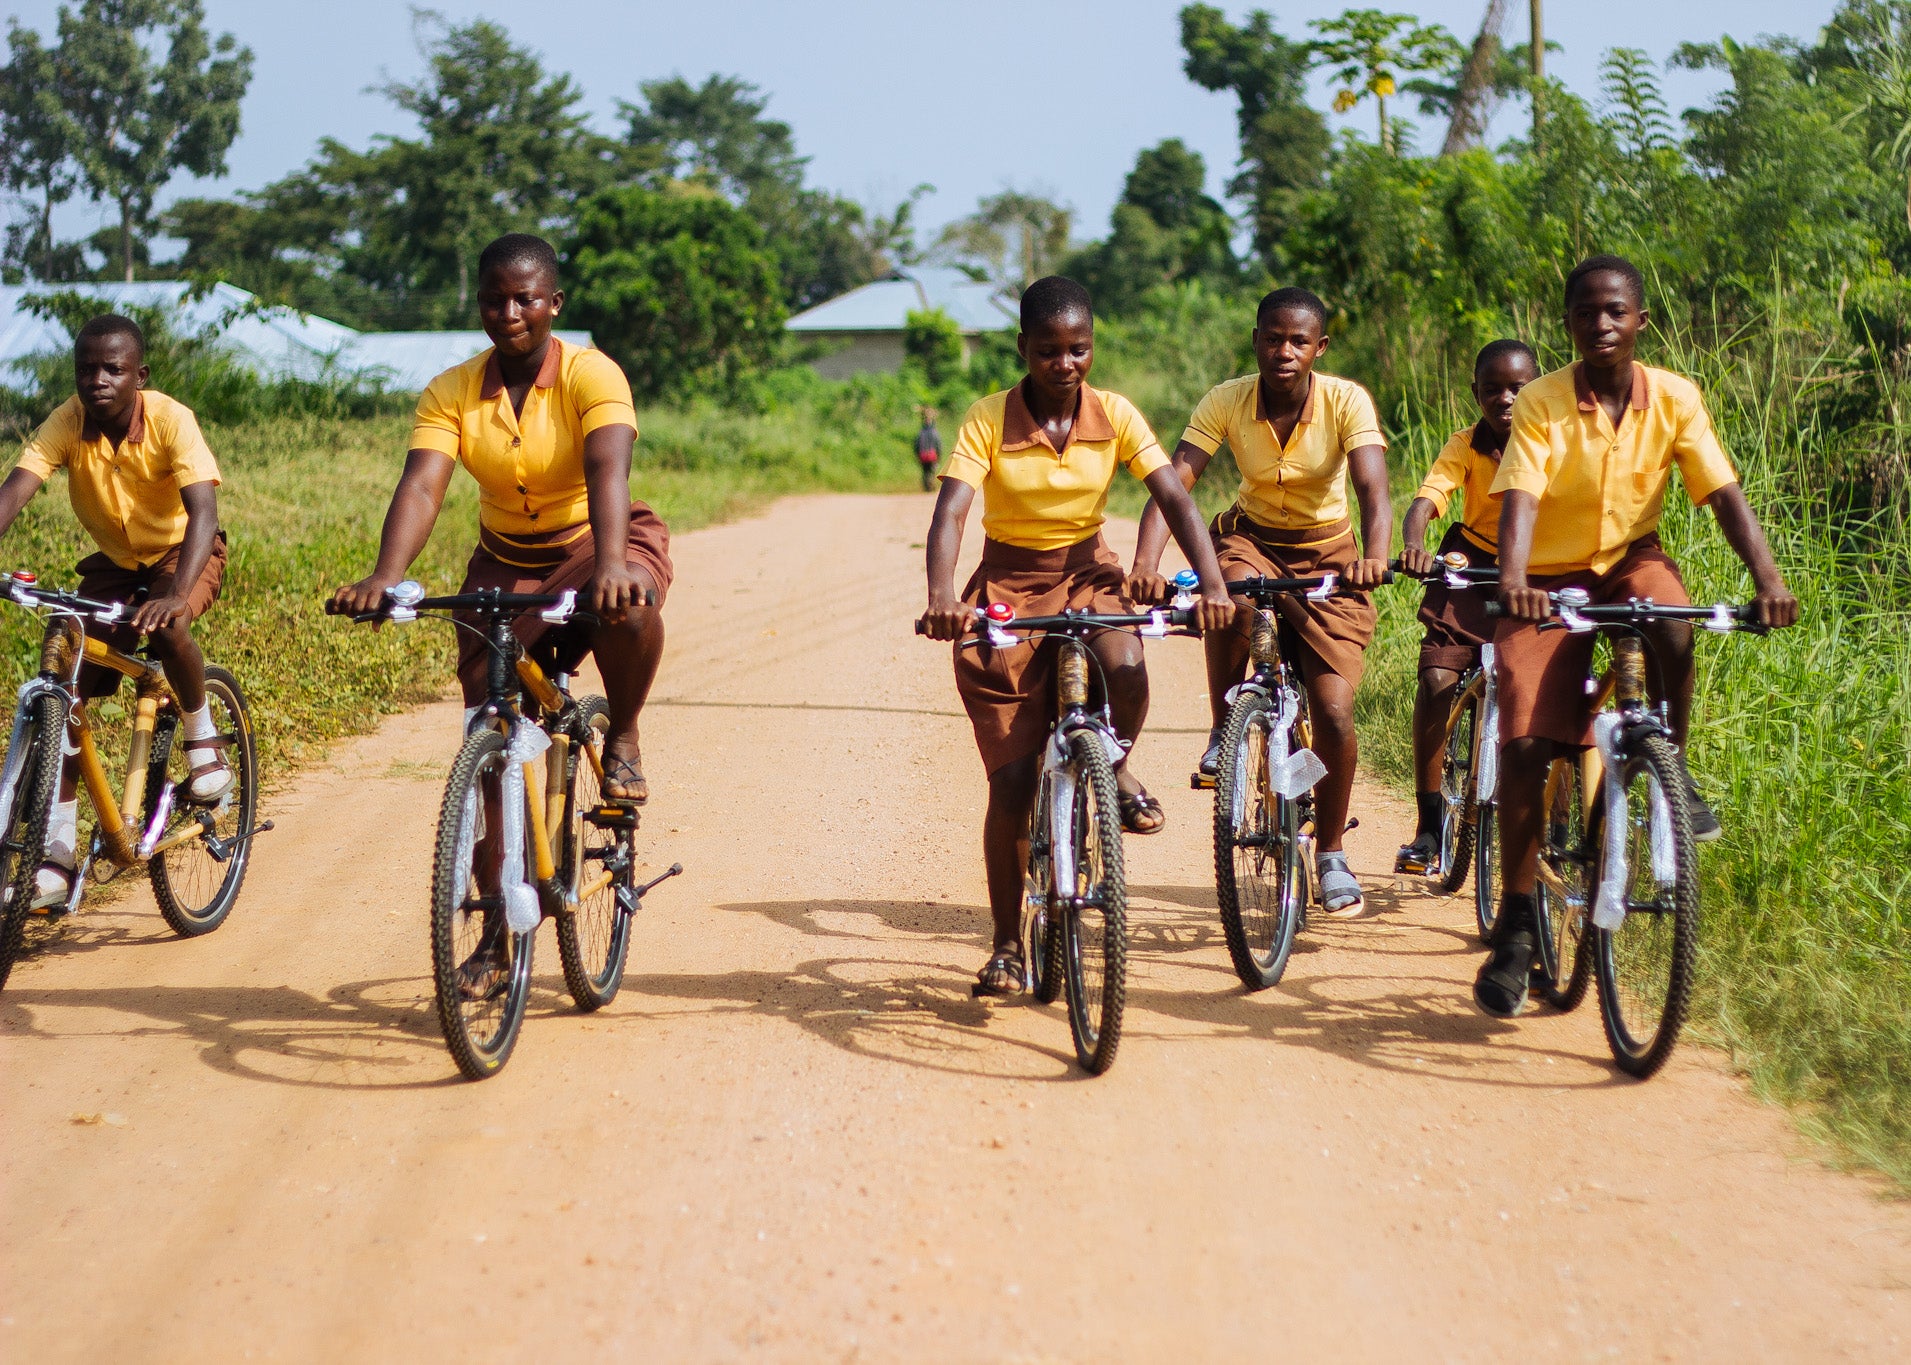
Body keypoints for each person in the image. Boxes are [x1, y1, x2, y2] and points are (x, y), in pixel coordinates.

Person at [1474, 253, 1799, 1018]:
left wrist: (1768, 580)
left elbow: (1721, 492)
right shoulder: (1543, 402)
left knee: (1671, 622)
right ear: (1568, 325)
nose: (1600, 325)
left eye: (1615, 311)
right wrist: (1513, 578)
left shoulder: (1677, 397)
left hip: (1628, 559)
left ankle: (1670, 768)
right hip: (1546, 577)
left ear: (1640, 321)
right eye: (1585, 313)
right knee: (1523, 741)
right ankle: (1517, 923)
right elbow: (1518, 495)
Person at [919, 276, 1233, 998]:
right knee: (1011, 780)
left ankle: (1113, 764)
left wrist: (1210, 583)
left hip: (1089, 572)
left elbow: (1174, 496)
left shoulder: (1116, 413)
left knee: (1124, 662)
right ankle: (1004, 943)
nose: (1066, 364)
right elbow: (951, 515)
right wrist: (941, 596)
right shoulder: (985, 419)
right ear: (1022, 348)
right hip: (1006, 582)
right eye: (1050, 351)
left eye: (1079, 349)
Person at [331, 232, 669, 796]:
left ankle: (625, 738)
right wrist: (387, 575)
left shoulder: (592, 374)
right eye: (494, 300)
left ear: (554, 303)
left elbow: (608, 469)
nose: (509, 314)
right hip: (506, 560)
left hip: (597, 542)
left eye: (526, 299)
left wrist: (611, 564)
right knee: (491, 718)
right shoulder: (451, 390)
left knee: (628, 607)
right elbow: (420, 485)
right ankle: (493, 863)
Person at [1131, 286, 1391, 917]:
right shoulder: (1227, 399)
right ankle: (1225, 726)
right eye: (1272, 338)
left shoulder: (1344, 400)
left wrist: (1375, 556)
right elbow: (1176, 483)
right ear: (1255, 341)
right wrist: (1144, 563)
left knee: (1332, 709)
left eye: (1299, 341)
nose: (1284, 351)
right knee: (1229, 592)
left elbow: (1373, 490)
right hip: (1253, 538)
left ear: (1319, 348)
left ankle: (1330, 853)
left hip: (1329, 552)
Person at [0, 314, 231, 910]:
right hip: (113, 562)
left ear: (139, 375)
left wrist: (177, 591)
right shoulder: (67, 422)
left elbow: (202, 510)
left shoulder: (171, 418)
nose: (97, 380)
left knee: (171, 624)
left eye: (113, 369)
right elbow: (16, 489)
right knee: (64, 672)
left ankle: (203, 738)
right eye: (86, 369)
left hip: (183, 551)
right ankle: (55, 855)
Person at [1394, 339, 1539, 875]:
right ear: (1474, 393)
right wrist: (1415, 543)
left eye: (1519, 388)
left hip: (1535, 565)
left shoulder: (1552, 439)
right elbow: (1429, 498)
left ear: (1538, 391)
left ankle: (1552, 828)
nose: (1506, 399)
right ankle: (1429, 824)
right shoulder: (1466, 443)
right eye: (1493, 389)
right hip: (1471, 562)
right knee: (1435, 680)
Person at [914, 407, 942, 491]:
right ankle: (931, 486)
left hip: (922, 455)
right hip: (932, 455)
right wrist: (939, 456)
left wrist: (917, 455)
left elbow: (916, 445)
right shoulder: (934, 432)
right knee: (931, 472)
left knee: (925, 472)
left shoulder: (921, 432)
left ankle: (926, 487)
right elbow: (938, 445)